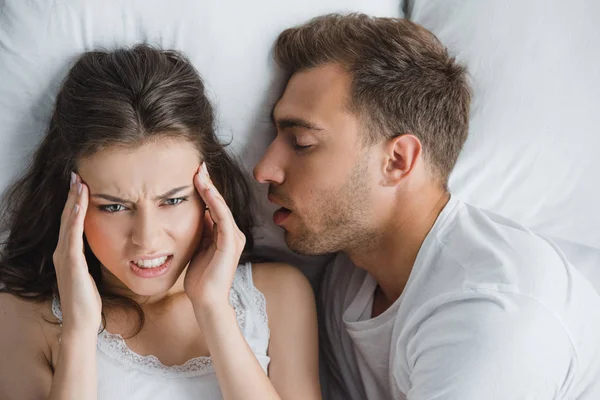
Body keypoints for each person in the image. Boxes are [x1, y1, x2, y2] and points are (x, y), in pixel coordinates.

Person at [254, 13, 600, 400]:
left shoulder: (493, 313)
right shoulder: (348, 280)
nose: (264, 169)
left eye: (301, 142)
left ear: (397, 161)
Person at [0, 45, 321, 400]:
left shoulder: (277, 295)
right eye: (114, 207)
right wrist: (78, 330)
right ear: (70, 203)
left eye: (172, 200)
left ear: (209, 195)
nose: (147, 239)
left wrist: (213, 308)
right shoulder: (21, 318)